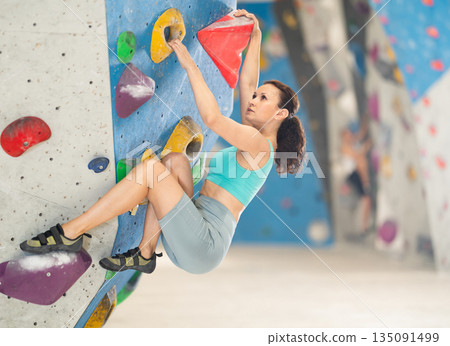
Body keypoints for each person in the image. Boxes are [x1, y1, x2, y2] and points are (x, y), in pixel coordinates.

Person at [20, 10, 306, 275]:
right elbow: (247, 83)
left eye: (263, 99)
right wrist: (254, 36)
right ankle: (145, 251)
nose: (253, 100)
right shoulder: (254, 137)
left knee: (151, 172)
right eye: (256, 96)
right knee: (174, 160)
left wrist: (189, 64)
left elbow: (213, 119)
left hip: (204, 244)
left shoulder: (261, 145)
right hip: (193, 225)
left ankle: (71, 232)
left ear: (280, 114)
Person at [340, 113, 372, 235]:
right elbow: (358, 154)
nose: (350, 135)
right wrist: (367, 146)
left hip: (357, 173)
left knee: (366, 199)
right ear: (344, 136)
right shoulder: (345, 147)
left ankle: (366, 183)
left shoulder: (352, 141)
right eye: (348, 134)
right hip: (352, 175)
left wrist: (365, 119)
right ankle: (364, 226)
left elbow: (361, 134)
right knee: (366, 198)